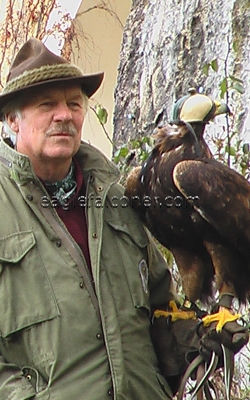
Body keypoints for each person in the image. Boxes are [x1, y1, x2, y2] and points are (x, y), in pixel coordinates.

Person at [0, 38, 248, 400]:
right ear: (11, 119)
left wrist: (195, 340)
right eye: (47, 105)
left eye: (74, 104)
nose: (65, 116)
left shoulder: (120, 194)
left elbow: (160, 310)